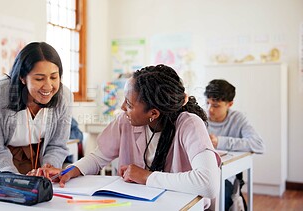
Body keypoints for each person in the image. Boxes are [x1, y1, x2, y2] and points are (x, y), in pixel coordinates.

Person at [35, 64, 221, 209]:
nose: (123, 108)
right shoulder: (126, 121)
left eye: (130, 104)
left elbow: (208, 184)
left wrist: (146, 177)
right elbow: (98, 157)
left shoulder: (189, 124)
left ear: (153, 113)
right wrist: (69, 171)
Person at [0, 42, 73, 179]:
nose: (48, 86)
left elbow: (57, 145)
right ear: (22, 78)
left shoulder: (64, 96)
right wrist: (16, 180)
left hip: (36, 156)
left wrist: (47, 168)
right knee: (2, 197)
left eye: (54, 77)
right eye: (39, 78)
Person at [204, 79, 265, 211]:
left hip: (226, 176)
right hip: (202, 172)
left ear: (230, 104)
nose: (210, 109)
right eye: (207, 103)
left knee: (219, 198)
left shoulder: (238, 118)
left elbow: (258, 144)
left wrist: (220, 141)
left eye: (216, 105)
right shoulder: (200, 117)